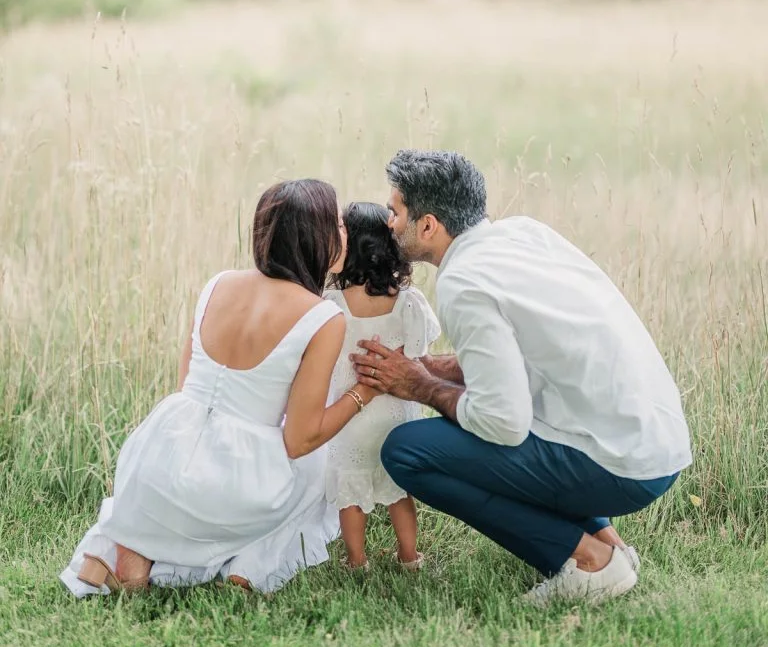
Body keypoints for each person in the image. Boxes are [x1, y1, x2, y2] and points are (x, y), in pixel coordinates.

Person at [351, 150, 692, 605]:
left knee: (407, 451)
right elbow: (520, 356)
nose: (389, 222)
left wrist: (418, 386)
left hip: (620, 467)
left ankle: (589, 562)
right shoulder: (525, 234)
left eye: (396, 212)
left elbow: (503, 421)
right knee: (485, 429)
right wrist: (430, 367)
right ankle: (610, 546)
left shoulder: (463, 283)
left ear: (428, 225)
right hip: (656, 443)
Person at [60, 179, 381, 596]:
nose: (346, 235)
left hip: (156, 459)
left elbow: (185, 388)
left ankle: (128, 550)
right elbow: (300, 440)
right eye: (338, 225)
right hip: (234, 484)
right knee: (319, 466)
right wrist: (361, 395)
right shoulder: (322, 317)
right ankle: (248, 567)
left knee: (172, 485)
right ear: (316, 238)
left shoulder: (217, 284)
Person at [324, 202, 440, 571]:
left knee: (350, 491)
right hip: (396, 414)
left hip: (349, 412)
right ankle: (409, 555)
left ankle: (356, 560)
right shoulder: (408, 301)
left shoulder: (333, 303)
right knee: (398, 489)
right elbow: (420, 350)